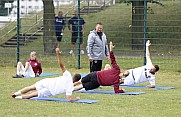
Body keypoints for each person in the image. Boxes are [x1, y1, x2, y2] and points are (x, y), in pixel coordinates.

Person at [12, 48, 81, 102]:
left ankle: (15, 94)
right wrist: (76, 99)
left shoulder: (68, 75)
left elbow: (61, 65)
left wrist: (58, 54)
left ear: (73, 76)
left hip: (48, 82)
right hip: (50, 91)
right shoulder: (70, 87)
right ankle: (17, 98)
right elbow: (69, 99)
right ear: (76, 81)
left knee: (31, 87)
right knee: (33, 95)